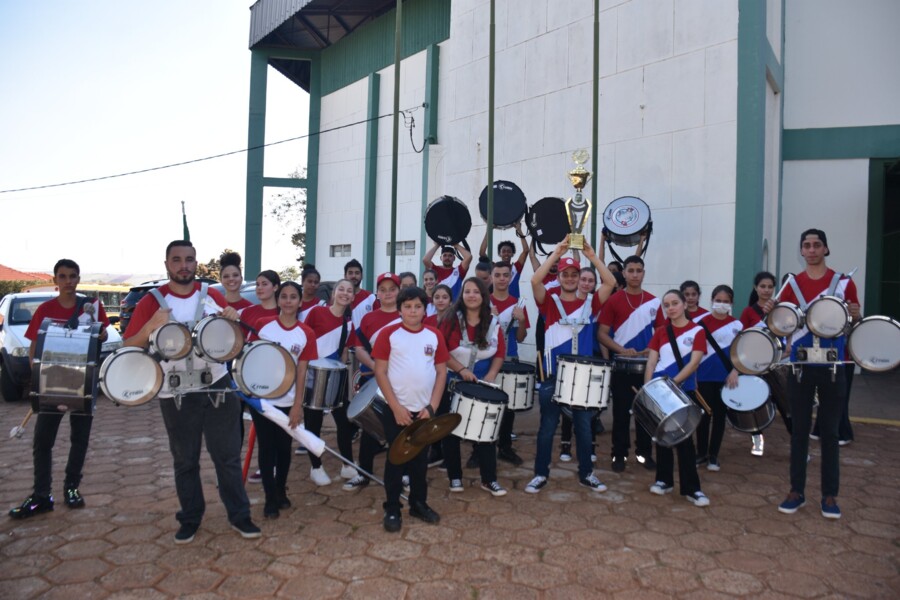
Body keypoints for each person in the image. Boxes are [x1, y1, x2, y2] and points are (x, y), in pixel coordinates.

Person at [123, 240, 260, 543]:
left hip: (217, 384)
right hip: (176, 392)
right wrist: (151, 326)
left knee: (227, 456)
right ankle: (190, 518)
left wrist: (232, 322)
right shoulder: (151, 301)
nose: (183, 265)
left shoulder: (210, 294)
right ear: (167, 264)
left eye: (189, 259)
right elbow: (128, 345)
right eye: (177, 260)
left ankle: (240, 516)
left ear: (196, 263)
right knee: (185, 459)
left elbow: (231, 341)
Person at [8, 259, 110, 519]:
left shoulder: (92, 306)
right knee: (43, 442)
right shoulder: (45, 309)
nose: (68, 281)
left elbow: (103, 334)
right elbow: (35, 345)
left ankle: (72, 489)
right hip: (52, 384)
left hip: (83, 383)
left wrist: (101, 335)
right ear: (55, 280)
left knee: (80, 439)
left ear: (78, 278)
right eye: (62, 276)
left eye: (73, 276)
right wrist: (36, 375)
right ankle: (42, 495)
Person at [776, 229, 860, 520]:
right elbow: (779, 322)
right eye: (806, 245)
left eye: (817, 245)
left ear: (826, 249)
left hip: (834, 365)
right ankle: (795, 491)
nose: (811, 250)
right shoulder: (791, 285)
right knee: (799, 431)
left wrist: (856, 312)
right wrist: (772, 313)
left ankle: (829, 495)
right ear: (801, 251)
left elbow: (855, 318)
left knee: (830, 432)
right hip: (800, 366)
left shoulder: (843, 283)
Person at [524, 239, 616, 494]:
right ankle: (540, 474)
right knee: (547, 428)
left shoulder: (590, 303)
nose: (570, 278)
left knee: (584, 429)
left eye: (574, 274)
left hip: (583, 377)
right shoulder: (549, 303)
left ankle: (587, 473)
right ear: (559, 276)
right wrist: (557, 254)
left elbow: (610, 283)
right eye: (565, 274)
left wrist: (591, 256)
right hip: (554, 376)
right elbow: (535, 281)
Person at [372, 286, 448, 532]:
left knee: (419, 462)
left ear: (426, 309)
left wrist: (432, 406)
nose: (413, 311)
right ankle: (392, 508)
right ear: (399, 309)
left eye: (417, 306)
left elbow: (441, 372)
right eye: (407, 306)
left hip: (423, 412)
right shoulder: (389, 334)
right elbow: (380, 371)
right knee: (396, 460)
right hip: (396, 410)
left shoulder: (434, 335)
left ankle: (418, 503)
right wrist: (395, 407)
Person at [247, 282, 317, 518]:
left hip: (288, 401)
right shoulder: (263, 327)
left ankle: (281, 490)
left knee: (284, 448)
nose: (288, 301)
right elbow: (252, 359)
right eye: (284, 297)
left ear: (300, 302)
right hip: (264, 400)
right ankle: (269, 498)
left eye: (293, 297)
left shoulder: (306, 333)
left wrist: (298, 405)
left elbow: (302, 372)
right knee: (266, 448)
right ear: (277, 300)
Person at [440, 278, 508, 496]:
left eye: (476, 292)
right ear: (462, 295)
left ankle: (489, 479)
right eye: (467, 291)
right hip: (453, 383)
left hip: (482, 385)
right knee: (450, 432)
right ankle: (455, 477)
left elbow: (499, 353)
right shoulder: (450, 319)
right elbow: (441, 352)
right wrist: (461, 370)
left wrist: (490, 376)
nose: (471, 295)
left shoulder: (493, 322)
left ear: (483, 296)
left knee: (487, 432)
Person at [645, 289, 710, 507]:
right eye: (667, 305)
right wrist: (649, 388)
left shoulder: (698, 331)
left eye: (675, 303)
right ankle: (664, 480)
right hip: (660, 389)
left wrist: (673, 384)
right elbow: (652, 362)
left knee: (683, 439)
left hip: (683, 389)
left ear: (684, 304)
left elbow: (694, 363)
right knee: (662, 436)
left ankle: (692, 488)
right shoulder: (661, 332)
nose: (671, 308)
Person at [598, 255, 661, 473]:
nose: (635, 274)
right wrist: (620, 349)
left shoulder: (654, 301)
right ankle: (619, 454)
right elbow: (602, 334)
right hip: (622, 366)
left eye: (639, 270)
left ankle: (644, 454)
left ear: (644, 273)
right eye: (631, 270)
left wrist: (650, 349)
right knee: (621, 414)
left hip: (647, 368)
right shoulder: (614, 300)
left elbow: (662, 334)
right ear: (624, 273)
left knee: (646, 413)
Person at [343, 273, 402, 491]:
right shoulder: (368, 319)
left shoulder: (407, 315)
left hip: (400, 382)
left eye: (392, 289)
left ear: (399, 291)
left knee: (400, 427)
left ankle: (401, 474)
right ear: (377, 292)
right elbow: (358, 349)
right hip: (374, 380)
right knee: (369, 427)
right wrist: (378, 369)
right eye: (383, 289)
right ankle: (363, 473)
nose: (387, 293)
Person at [302, 280, 359, 486]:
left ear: (353, 297)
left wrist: (341, 376)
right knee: (313, 422)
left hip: (335, 377)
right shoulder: (317, 312)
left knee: (344, 422)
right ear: (333, 293)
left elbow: (344, 352)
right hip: (312, 375)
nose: (345, 293)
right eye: (341, 289)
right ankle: (315, 466)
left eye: (349, 291)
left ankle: (348, 464)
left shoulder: (349, 323)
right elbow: (304, 339)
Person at [695, 286, 743, 471]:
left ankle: (714, 455)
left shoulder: (737, 326)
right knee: (703, 416)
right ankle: (701, 454)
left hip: (726, 379)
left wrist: (735, 371)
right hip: (704, 377)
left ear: (731, 304)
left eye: (726, 301)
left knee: (720, 417)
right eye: (718, 300)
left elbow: (742, 353)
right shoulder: (700, 323)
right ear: (712, 300)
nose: (721, 304)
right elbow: (695, 353)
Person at [559, 267, 604, 462]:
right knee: (567, 405)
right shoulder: (566, 301)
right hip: (569, 358)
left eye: (590, 281)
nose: (586, 283)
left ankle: (590, 446)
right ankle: (566, 444)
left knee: (589, 405)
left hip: (590, 358)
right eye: (583, 279)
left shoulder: (594, 302)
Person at [489, 261, 529, 466]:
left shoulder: (518, 304)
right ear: (492, 277)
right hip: (486, 360)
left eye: (506, 275)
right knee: (486, 404)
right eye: (498, 275)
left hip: (510, 359)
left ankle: (505, 447)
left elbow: (521, 337)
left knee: (508, 407)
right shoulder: (483, 302)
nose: (502, 279)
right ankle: (480, 450)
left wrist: (521, 321)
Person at [738, 271, 778, 456]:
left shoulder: (779, 308)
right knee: (754, 401)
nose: (766, 290)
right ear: (756, 288)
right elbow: (741, 338)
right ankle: (757, 438)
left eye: (770, 287)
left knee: (784, 402)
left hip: (776, 362)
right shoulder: (748, 312)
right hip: (754, 363)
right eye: (763, 286)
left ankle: (798, 444)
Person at [479, 220, 529, 297]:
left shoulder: (516, 268)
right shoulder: (494, 267)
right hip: (498, 305)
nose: (506, 253)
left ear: (512, 254)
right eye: (504, 251)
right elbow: (482, 253)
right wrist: (489, 230)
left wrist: (519, 230)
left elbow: (526, 251)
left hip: (514, 305)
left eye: (509, 251)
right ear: (500, 254)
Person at [345, 259, 376, 329]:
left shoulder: (371, 298)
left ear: (362, 276)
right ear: (345, 276)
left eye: (357, 273)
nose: (354, 276)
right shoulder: (339, 298)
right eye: (350, 273)